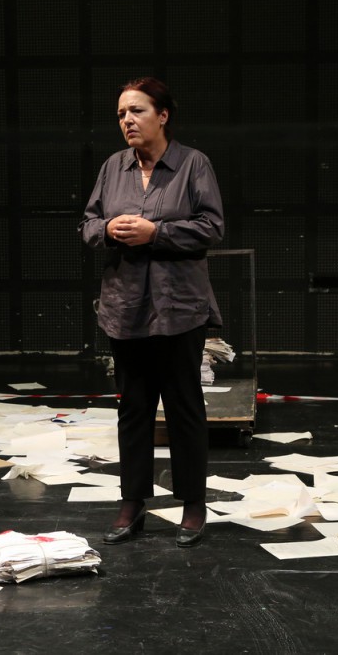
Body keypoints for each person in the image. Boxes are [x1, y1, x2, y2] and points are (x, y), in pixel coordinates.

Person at [79, 77, 225, 548]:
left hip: (178, 306)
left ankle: (193, 505)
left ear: (162, 115)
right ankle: (133, 502)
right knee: (134, 408)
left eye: (137, 111)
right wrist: (108, 229)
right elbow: (87, 224)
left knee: (185, 408)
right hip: (126, 307)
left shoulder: (193, 164)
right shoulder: (113, 167)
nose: (127, 120)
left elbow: (212, 227)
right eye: (122, 113)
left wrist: (155, 233)